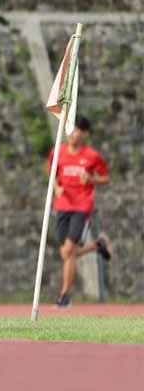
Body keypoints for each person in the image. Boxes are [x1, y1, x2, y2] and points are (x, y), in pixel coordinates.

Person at [45, 116, 112, 308]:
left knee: (68, 251)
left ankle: (64, 297)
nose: (72, 134)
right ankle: (97, 246)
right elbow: (52, 172)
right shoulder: (57, 152)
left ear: (85, 134)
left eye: (77, 131)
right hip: (62, 205)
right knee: (66, 252)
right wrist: (56, 187)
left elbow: (106, 178)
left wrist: (91, 180)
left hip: (82, 207)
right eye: (70, 130)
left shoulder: (92, 156)